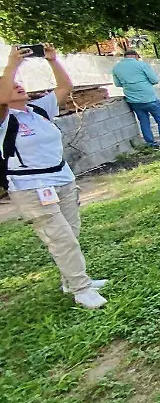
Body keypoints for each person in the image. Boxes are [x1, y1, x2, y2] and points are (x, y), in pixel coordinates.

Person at [1, 44, 108, 309]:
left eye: (19, 83)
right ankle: (80, 288)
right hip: (30, 187)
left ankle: (70, 280)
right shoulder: (4, 118)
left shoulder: (37, 110)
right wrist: (12, 64)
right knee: (61, 238)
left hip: (62, 179)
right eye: (12, 85)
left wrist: (53, 60)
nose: (18, 86)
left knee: (71, 232)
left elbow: (64, 88)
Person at [111, 49, 160, 150]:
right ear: (135, 56)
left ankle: (151, 145)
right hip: (149, 97)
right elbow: (155, 80)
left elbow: (118, 84)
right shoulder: (142, 65)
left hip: (133, 100)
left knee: (144, 122)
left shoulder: (116, 68)